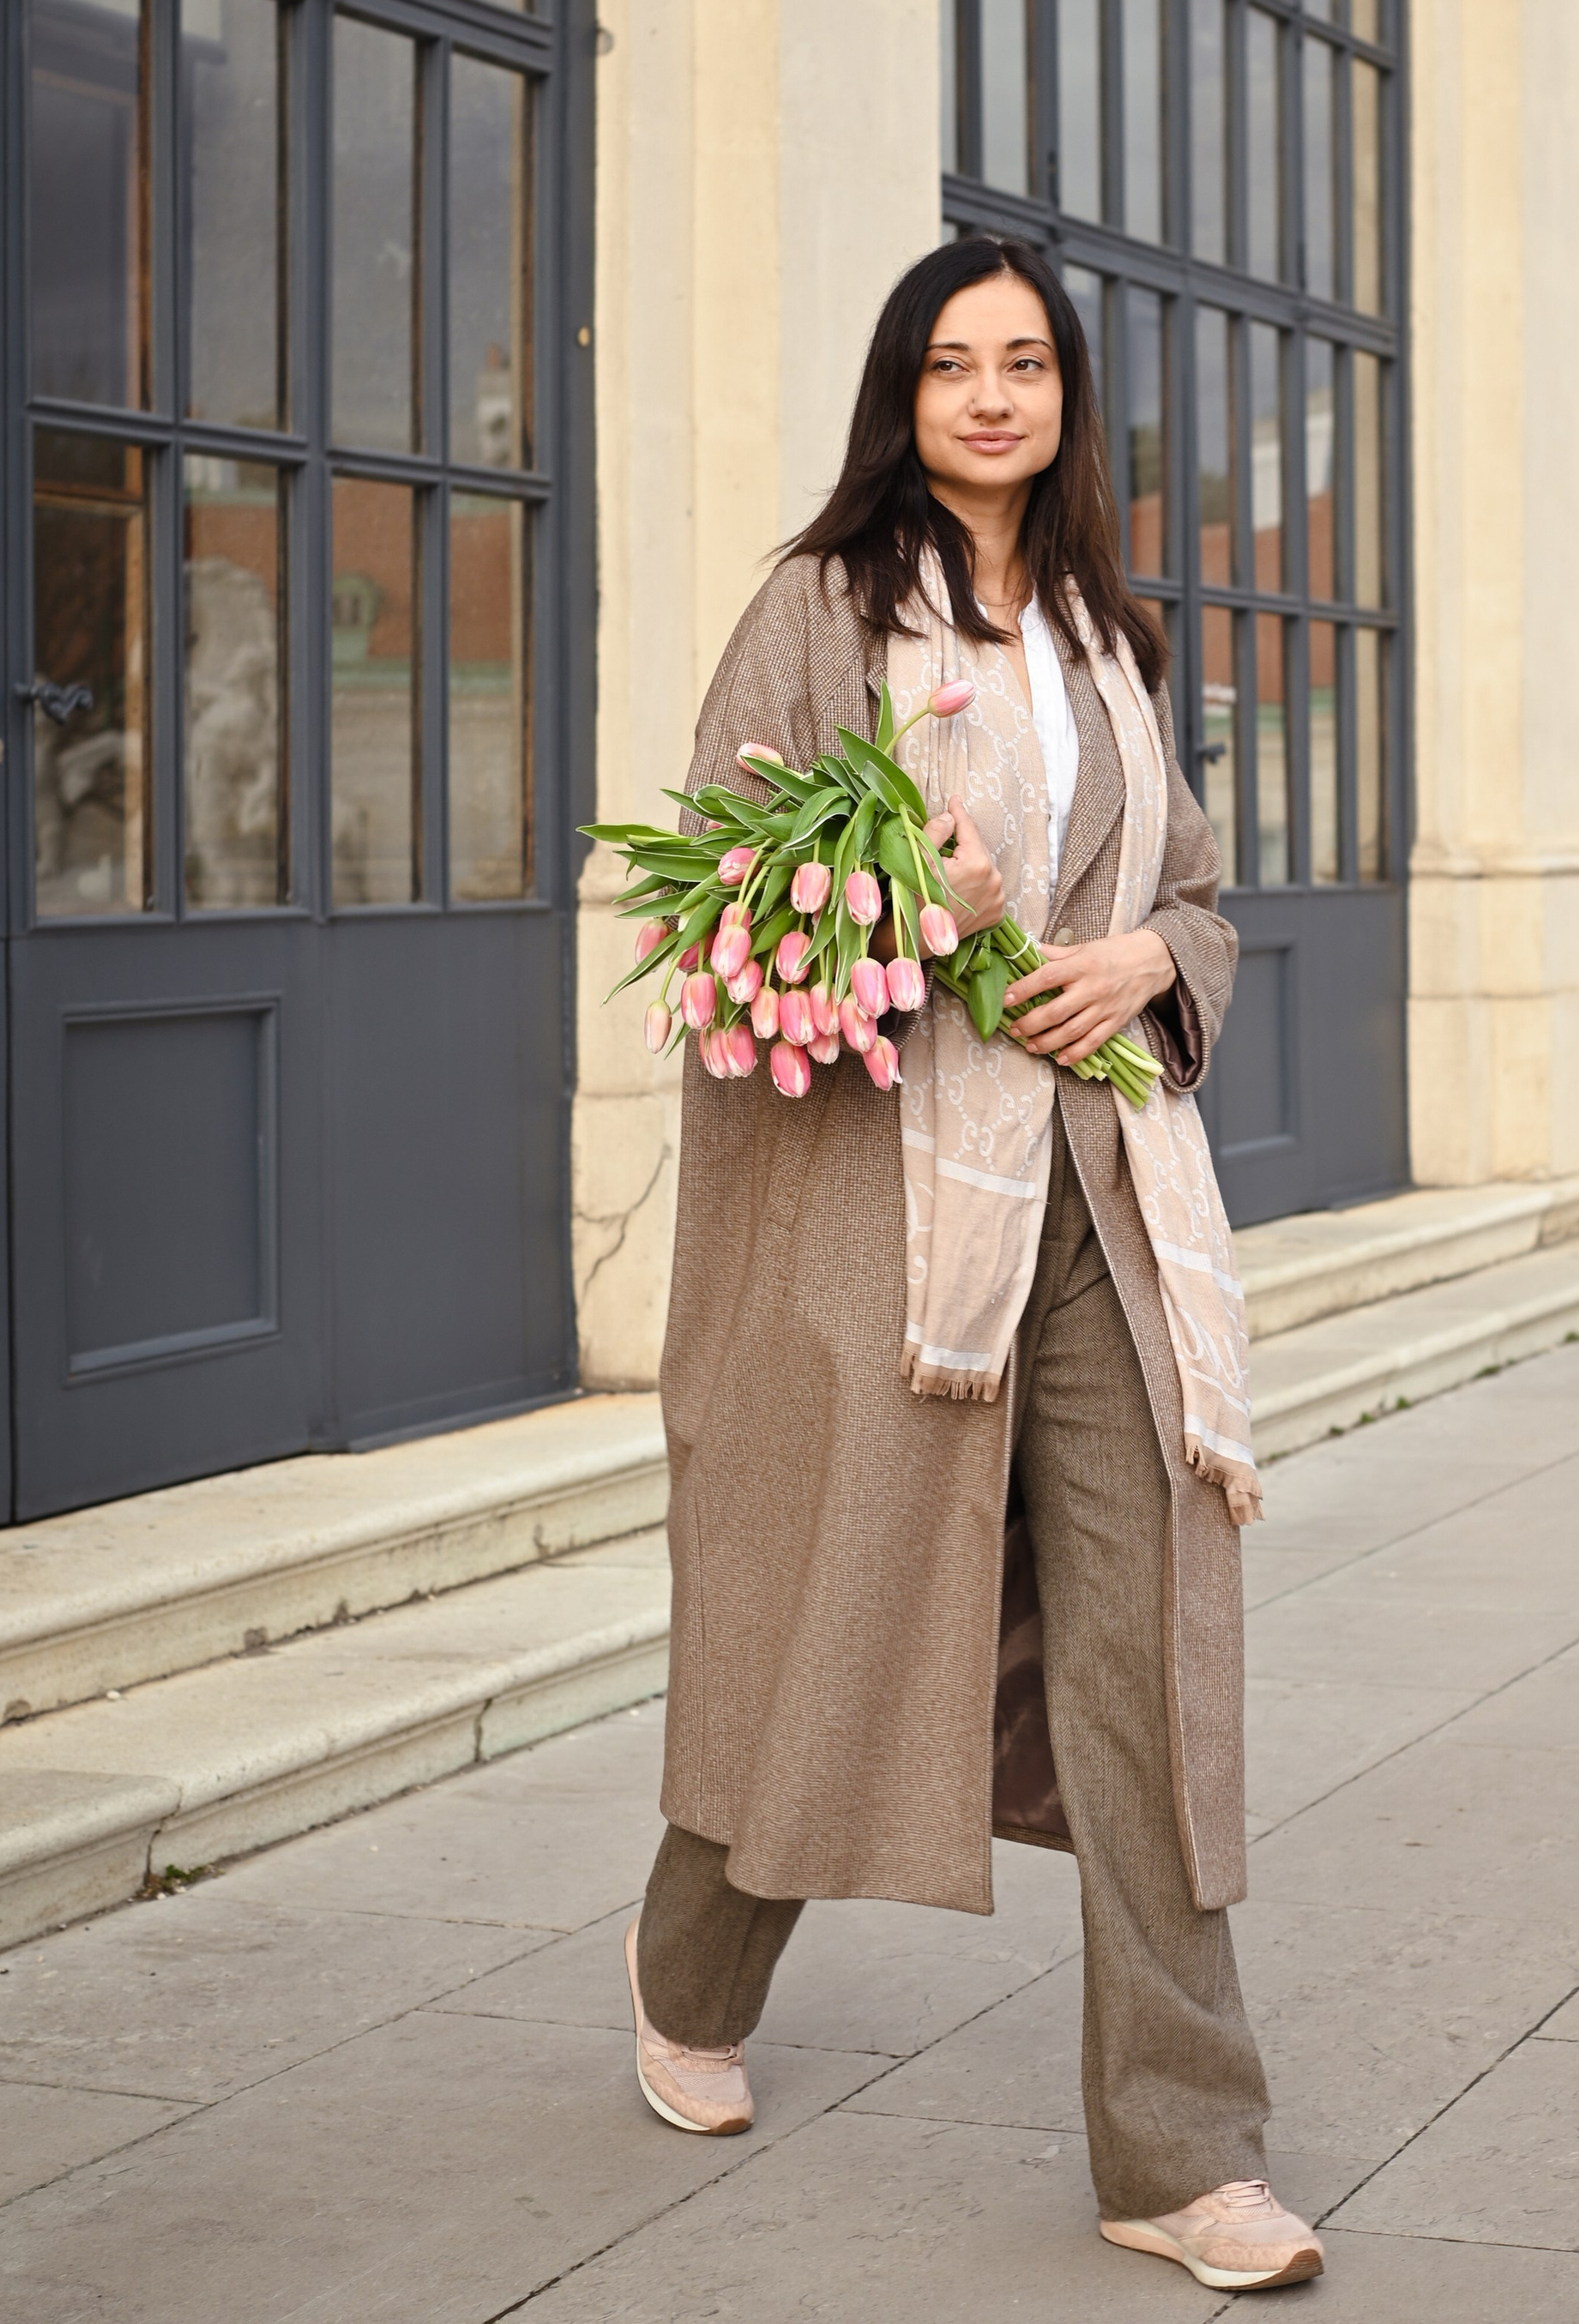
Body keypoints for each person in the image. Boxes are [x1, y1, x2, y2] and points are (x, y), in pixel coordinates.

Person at [622, 232, 1322, 2292]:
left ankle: (1181, 2150)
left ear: (1062, 395)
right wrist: (899, 890)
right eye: (952, 365)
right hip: (887, 1230)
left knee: (1143, 1655)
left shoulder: (1112, 628)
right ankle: (689, 1968)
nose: (991, 397)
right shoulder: (819, 609)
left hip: (1101, 1209)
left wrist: (1143, 959)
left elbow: (1190, 890)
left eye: (1022, 363)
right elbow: (723, 898)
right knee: (832, 1627)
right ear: (902, 397)